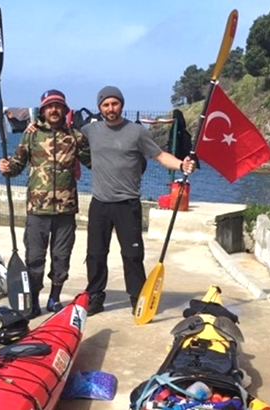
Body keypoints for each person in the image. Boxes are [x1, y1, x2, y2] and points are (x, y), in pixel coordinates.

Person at [83, 86, 196, 316]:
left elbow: (160, 155)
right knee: (95, 254)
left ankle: (137, 298)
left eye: (114, 104)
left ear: (121, 105)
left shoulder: (137, 132)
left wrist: (181, 165)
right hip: (100, 203)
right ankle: (95, 297)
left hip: (128, 204)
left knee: (132, 255)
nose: (110, 108)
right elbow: (61, 133)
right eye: (106, 105)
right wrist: (33, 125)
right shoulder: (90, 131)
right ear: (100, 108)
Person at [0, 89, 91, 319]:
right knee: (34, 258)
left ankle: (55, 298)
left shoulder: (75, 136)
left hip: (65, 210)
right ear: (43, 110)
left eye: (58, 106)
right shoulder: (31, 135)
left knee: (62, 256)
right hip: (37, 210)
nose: (54, 110)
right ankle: (34, 300)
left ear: (64, 110)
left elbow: (93, 161)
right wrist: (6, 167)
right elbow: (16, 166)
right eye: (49, 106)